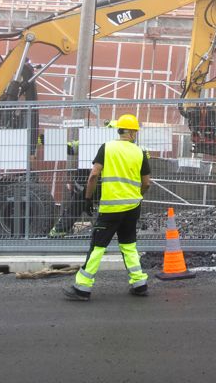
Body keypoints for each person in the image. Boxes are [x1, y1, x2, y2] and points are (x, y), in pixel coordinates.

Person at [65, 114, 152, 300]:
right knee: (129, 245)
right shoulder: (139, 152)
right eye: (135, 131)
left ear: (120, 130)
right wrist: (138, 197)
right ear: (130, 131)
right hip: (132, 207)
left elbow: (93, 175)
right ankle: (139, 284)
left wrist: (87, 199)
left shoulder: (107, 148)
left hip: (111, 209)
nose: (136, 134)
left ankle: (82, 288)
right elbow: (147, 183)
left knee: (97, 247)